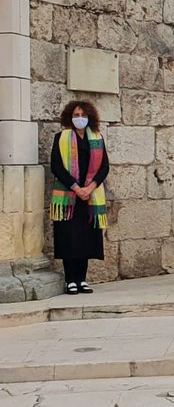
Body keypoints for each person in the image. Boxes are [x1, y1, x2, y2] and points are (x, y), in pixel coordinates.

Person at [49, 100, 109, 295]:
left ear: (89, 117)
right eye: (76, 115)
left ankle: (82, 279)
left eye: (83, 115)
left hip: (90, 197)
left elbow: (104, 167)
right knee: (70, 238)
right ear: (69, 117)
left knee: (86, 239)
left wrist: (90, 188)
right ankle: (70, 280)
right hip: (69, 197)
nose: (80, 118)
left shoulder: (97, 139)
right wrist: (76, 188)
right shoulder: (61, 138)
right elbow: (56, 166)